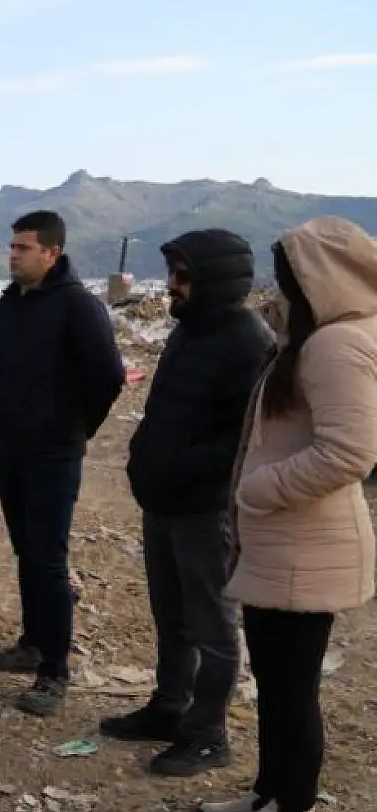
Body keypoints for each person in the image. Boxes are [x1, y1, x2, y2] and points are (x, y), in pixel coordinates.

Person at [203, 218, 377, 812]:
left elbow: (350, 452)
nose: (280, 287)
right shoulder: (320, 336)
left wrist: (259, 489)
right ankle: (268, 796)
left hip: (305, 542)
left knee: (291, 688)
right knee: (277, 684)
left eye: (289, 276)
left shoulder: (336, 345)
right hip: (287, 545)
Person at [103, 230, 273, 775]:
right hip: (165, 501)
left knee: (211, 625)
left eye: (182, 275)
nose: (171, 286)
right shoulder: (187, 333)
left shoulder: (248, 340)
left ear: (214, 279)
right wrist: (143, 459)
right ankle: (169, 708)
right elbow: (161, 411)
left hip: (204, 507)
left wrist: (181, 468)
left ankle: (207, 734)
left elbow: (243, 438)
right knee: (170, 615)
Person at [0, 210, 125, 716]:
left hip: (53, 451)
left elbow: (108, 376)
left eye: (24, 248)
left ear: (51, 253)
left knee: (47, 557)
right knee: (26, 548)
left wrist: (74, 428)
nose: (13, 255)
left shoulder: (78, 307)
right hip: (11, 446)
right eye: (12, 246)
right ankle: (32, 642)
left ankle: (55, 669)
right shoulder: (9, 306)